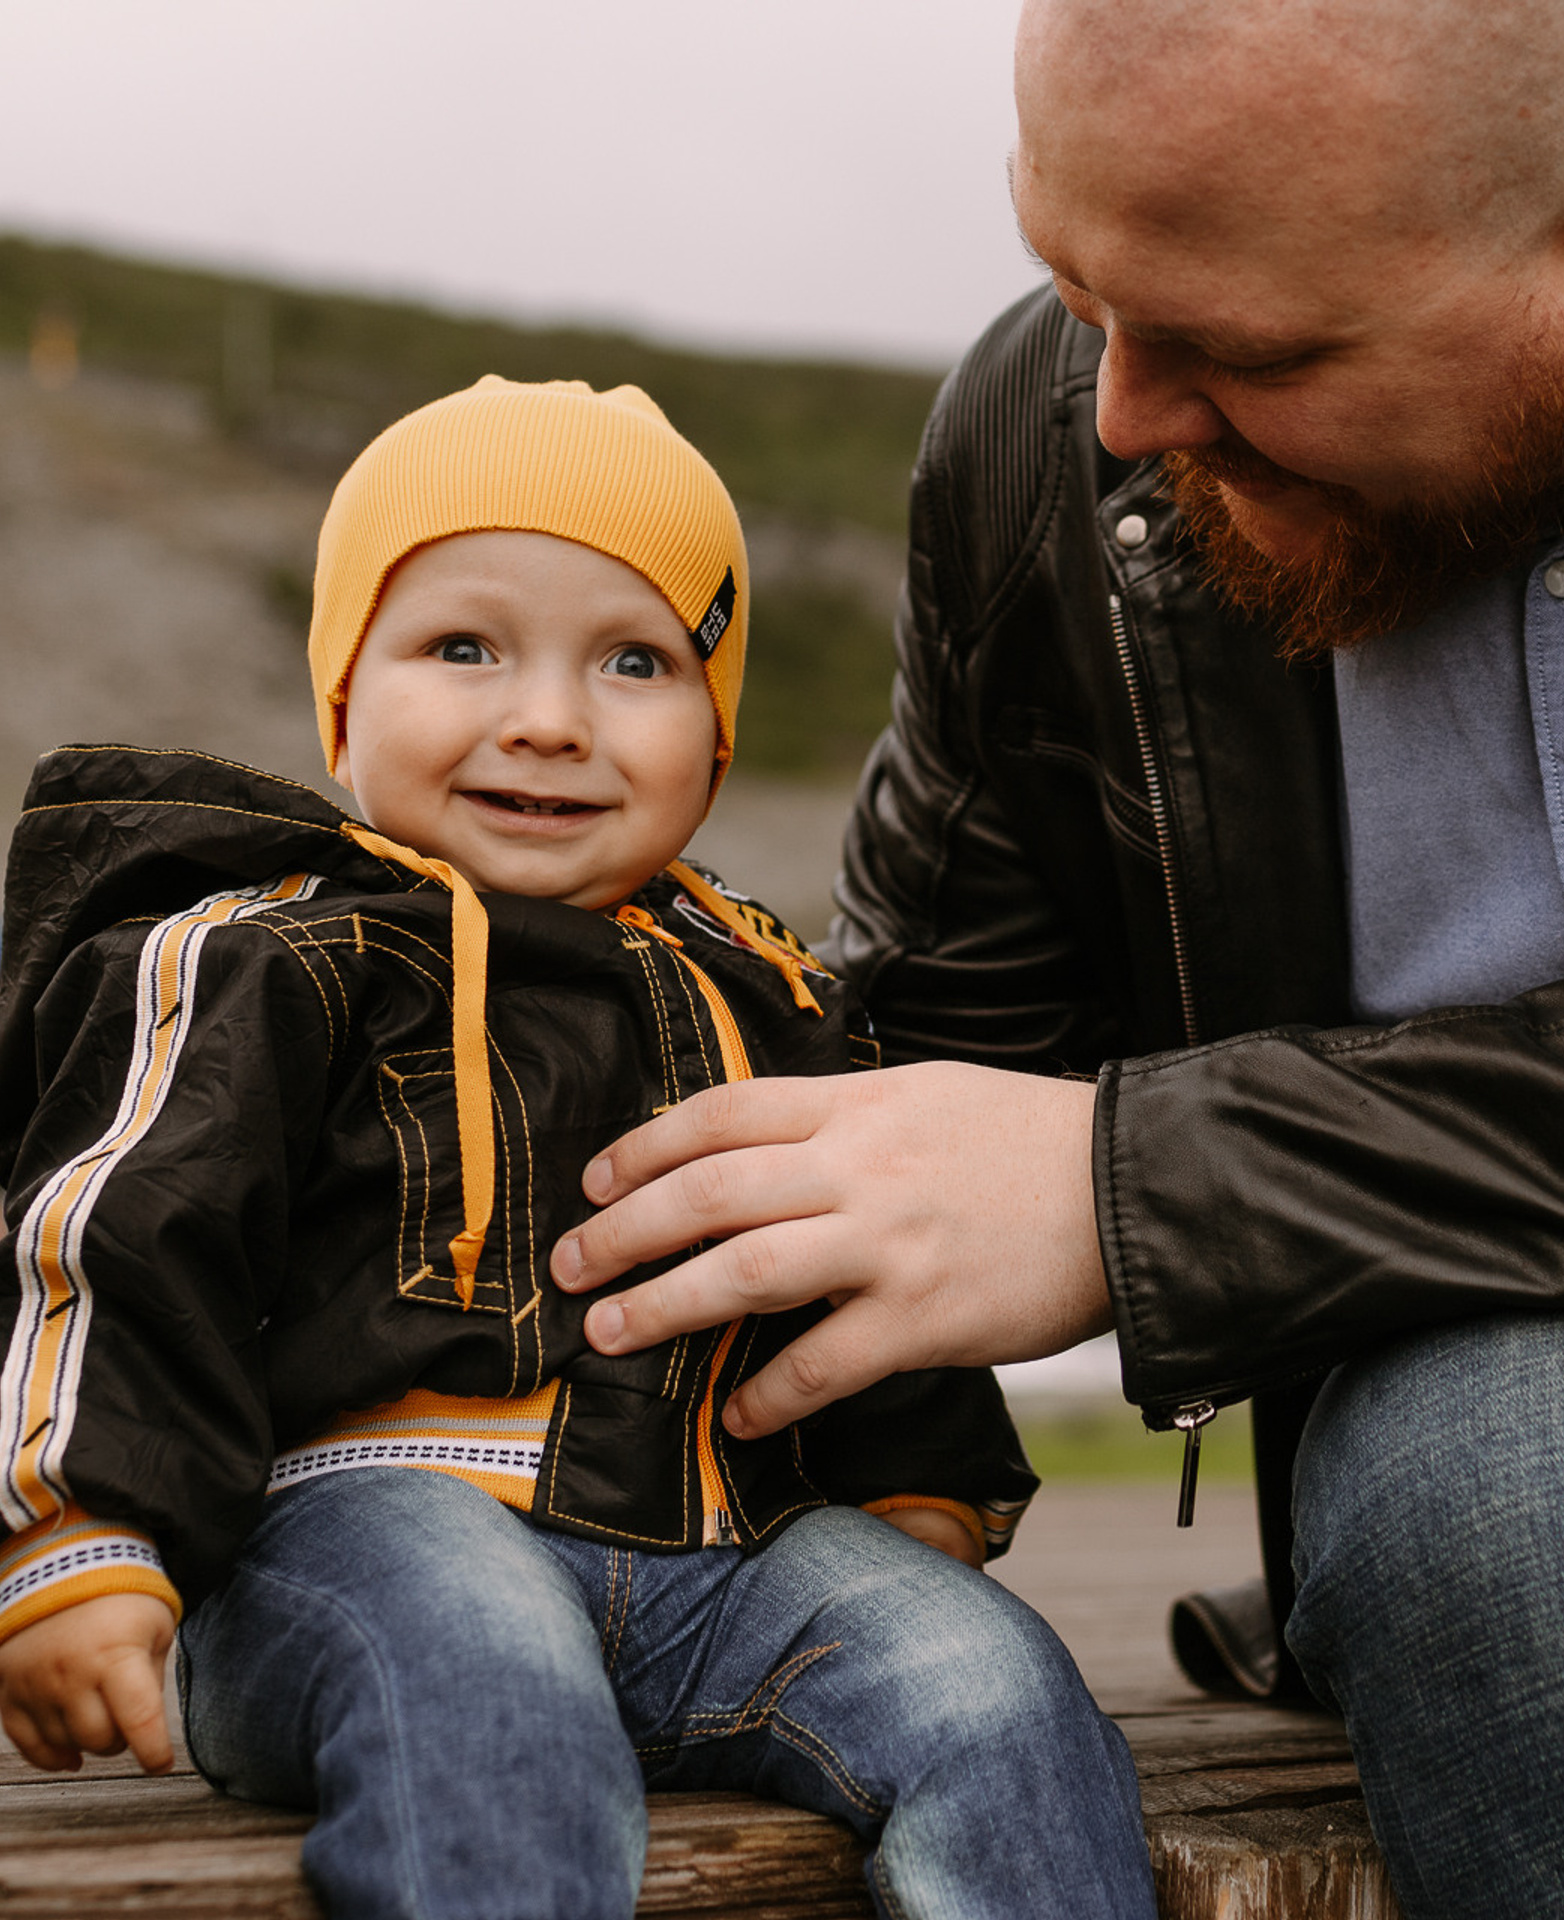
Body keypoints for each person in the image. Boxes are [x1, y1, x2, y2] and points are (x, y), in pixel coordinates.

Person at [548, 2, 1564, 1914]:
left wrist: (1147, 1190)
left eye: (1244, 349)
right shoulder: (1051, 442)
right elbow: (905, 1070)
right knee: (1521, 1491)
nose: (1115, 412)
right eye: (1077, 288)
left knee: (1535, 1481)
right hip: (1538, 1511)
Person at [0, 377, 1156, 1920]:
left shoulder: (779, 997)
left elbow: (861, 1254)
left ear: (716, 741)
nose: (548, 717)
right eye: (463, 647)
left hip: (714, 1558)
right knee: (482, 1663)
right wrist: (78, 1526)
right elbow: (115, 1233)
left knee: (990, 1679)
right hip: (348, 1541)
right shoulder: (262, 957)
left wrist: (915, 1484)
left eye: (635, 659)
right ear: (345, 699)